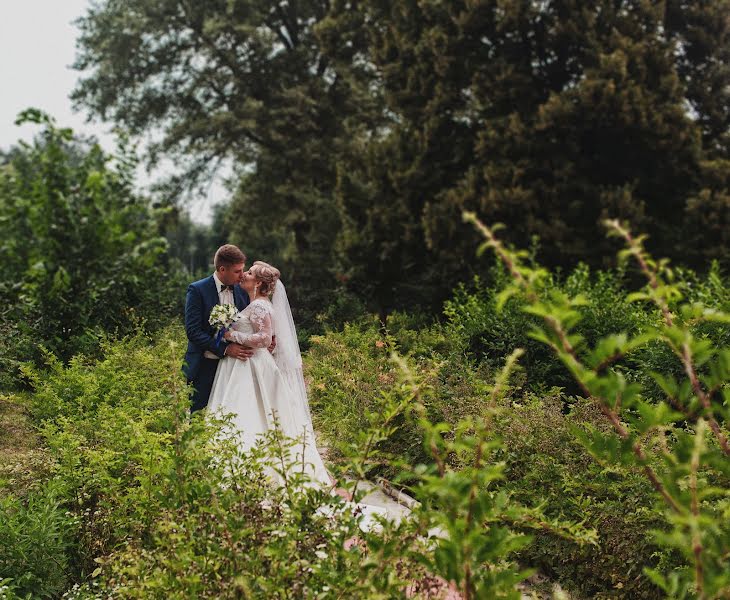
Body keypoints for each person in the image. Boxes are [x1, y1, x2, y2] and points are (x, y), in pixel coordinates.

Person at [206, 261, 332, 485]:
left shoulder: (260, 306)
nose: (245, 274)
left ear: (259, 283)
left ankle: (254, 472)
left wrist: (230, 336)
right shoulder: (256, 303)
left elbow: (264, 339)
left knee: (250, 411)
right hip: (244, 364)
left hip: (251, 365)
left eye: (250, 273)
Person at [183, 245, 253, 413]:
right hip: (205, 364)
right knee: (199, 416)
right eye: (237, 271)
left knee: (234, 416)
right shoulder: (197, 290)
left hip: (236, 367)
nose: (242, 275)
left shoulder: (243, 291)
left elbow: (251, 323)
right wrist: (226, 349)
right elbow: (193, 331)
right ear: (222, 269)